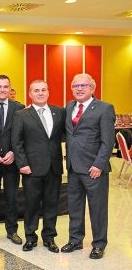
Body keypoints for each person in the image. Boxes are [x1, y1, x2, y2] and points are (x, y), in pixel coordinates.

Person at [62, 73, 115, 259]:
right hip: (73, 168)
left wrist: (99, 165)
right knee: (74, 206)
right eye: (76, 85)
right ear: (71, 88)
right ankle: (75, 240)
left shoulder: (104, 108)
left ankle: (99, 244)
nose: (79, 88)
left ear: (92, 88)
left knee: (97, 208)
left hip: (94, 169)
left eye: (84, 85)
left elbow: (108, 141)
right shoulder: (69, 107)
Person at [11, 80, 66, 253]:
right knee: (32, 204)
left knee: (51, 204)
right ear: (30, 93)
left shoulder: (60, 112)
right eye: (36, 90)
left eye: (43, 90)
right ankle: (30, 237)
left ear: (48, 92)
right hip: (31, 169)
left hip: (54, 168)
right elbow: (16, 142)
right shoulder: (21, 115)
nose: (40, 93)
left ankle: (49, 238)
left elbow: (64, 136)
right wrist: (22, 164)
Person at [0, 75, 25, 245]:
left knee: (12, 197)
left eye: (5, 87)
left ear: (10, 89)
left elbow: (24, 135)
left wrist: (15, 153)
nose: (2, 90)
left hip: (11, 161)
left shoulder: (19, 108)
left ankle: (12, 231)